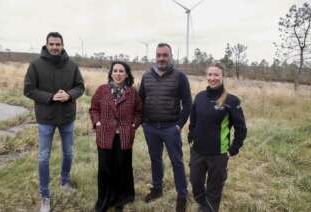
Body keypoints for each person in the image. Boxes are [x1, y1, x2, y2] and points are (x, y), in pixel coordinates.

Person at [24, 32, 85, 212]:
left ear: (62, 45)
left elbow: (80, 87)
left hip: (67, 118)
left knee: (69, 153)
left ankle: (64, 182)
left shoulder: (72, 65)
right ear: (46, 45)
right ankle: (45, 196)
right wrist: (50, 97)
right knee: (43, 157)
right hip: (46, 118)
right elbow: (28, 90)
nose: (55, 47)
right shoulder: (35, 65)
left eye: (58, 44)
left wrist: (70, 95)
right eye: (52, 44)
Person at [139, 43, 192, 212]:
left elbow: (188, 103)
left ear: (171, 56)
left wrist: (179, 125)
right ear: (155, 56)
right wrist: (143, 122)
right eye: (159, 55)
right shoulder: (146, 76)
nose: (161, 58)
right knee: (155, 159)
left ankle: (182, 195)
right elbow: (140, 100)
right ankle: (157, 189)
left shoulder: (180, 76)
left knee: (177, 161)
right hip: (151, 127)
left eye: (165, 55)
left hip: (171, 128)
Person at [188, 63, 247, 212]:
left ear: (222, 77)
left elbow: (241, 128)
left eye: (216, 75)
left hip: (218, 154)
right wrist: (191, 136)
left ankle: (208, 208)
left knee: (214, 190)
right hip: (197, 151)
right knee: (196, 183)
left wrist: (233, 149)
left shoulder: (232, 101)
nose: (212, 78)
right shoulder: (200, 97)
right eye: (210, 75)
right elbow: (193, 120)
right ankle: (203, 205)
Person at [89, 61, 142, 212]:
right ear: (111, 73)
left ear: (126, 75)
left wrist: (133, 125)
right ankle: (105, 199)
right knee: (105, 168)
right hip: (105, 134)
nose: (118, 74)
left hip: (124, 136)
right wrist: (97, 122)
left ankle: (122, 198)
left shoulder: (132, 92)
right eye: (115, 71)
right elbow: (93, 108)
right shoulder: (102, 90)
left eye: (121, 71)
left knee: (122, 167)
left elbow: (139, 112)